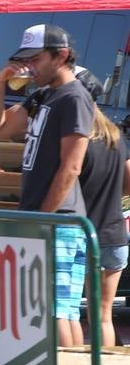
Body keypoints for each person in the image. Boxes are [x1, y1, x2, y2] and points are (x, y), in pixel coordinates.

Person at [0, 23, 95, 347]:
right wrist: (0, 83)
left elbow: (71, 166)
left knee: (57, 310)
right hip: (53, 219)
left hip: (58, 219)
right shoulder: (44, 95)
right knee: (64, 310)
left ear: (60, 56)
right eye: (25, 60)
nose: (28, 67)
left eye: (35, 59)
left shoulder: (74, 97)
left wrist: (42, 219)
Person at [77, 109, 129, 348]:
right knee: (103, 316)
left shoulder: (79, 143)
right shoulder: (117, 141)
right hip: (116, 234)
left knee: (69, 311)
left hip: (87, 234)